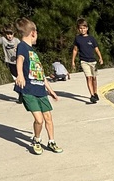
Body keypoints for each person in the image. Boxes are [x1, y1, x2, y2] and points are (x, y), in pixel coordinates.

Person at [14, 18, 63, 156]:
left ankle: (51, 141)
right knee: (39, 119)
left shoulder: (33, 52)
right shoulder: (22, 46)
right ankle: (36, 140)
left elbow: (40, 74)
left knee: (48, 117)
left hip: (40, 90)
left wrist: (51, 91)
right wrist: (20, 75)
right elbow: (20, 60)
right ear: (33, 33)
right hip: (29, 90)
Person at [71, 18, 104, 103]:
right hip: (84, 61)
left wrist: (100, 57)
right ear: (78, 29)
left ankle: (95, 92)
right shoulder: (77, 39)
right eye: (81, 28)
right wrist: (73, 61)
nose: (82, 30)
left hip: (92, 61)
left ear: (87, 28)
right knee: (88, 77)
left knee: (94, 78)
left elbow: (96, 49)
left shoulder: (91, 38)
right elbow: (75, 50)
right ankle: (92, 95)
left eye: (84, 28)